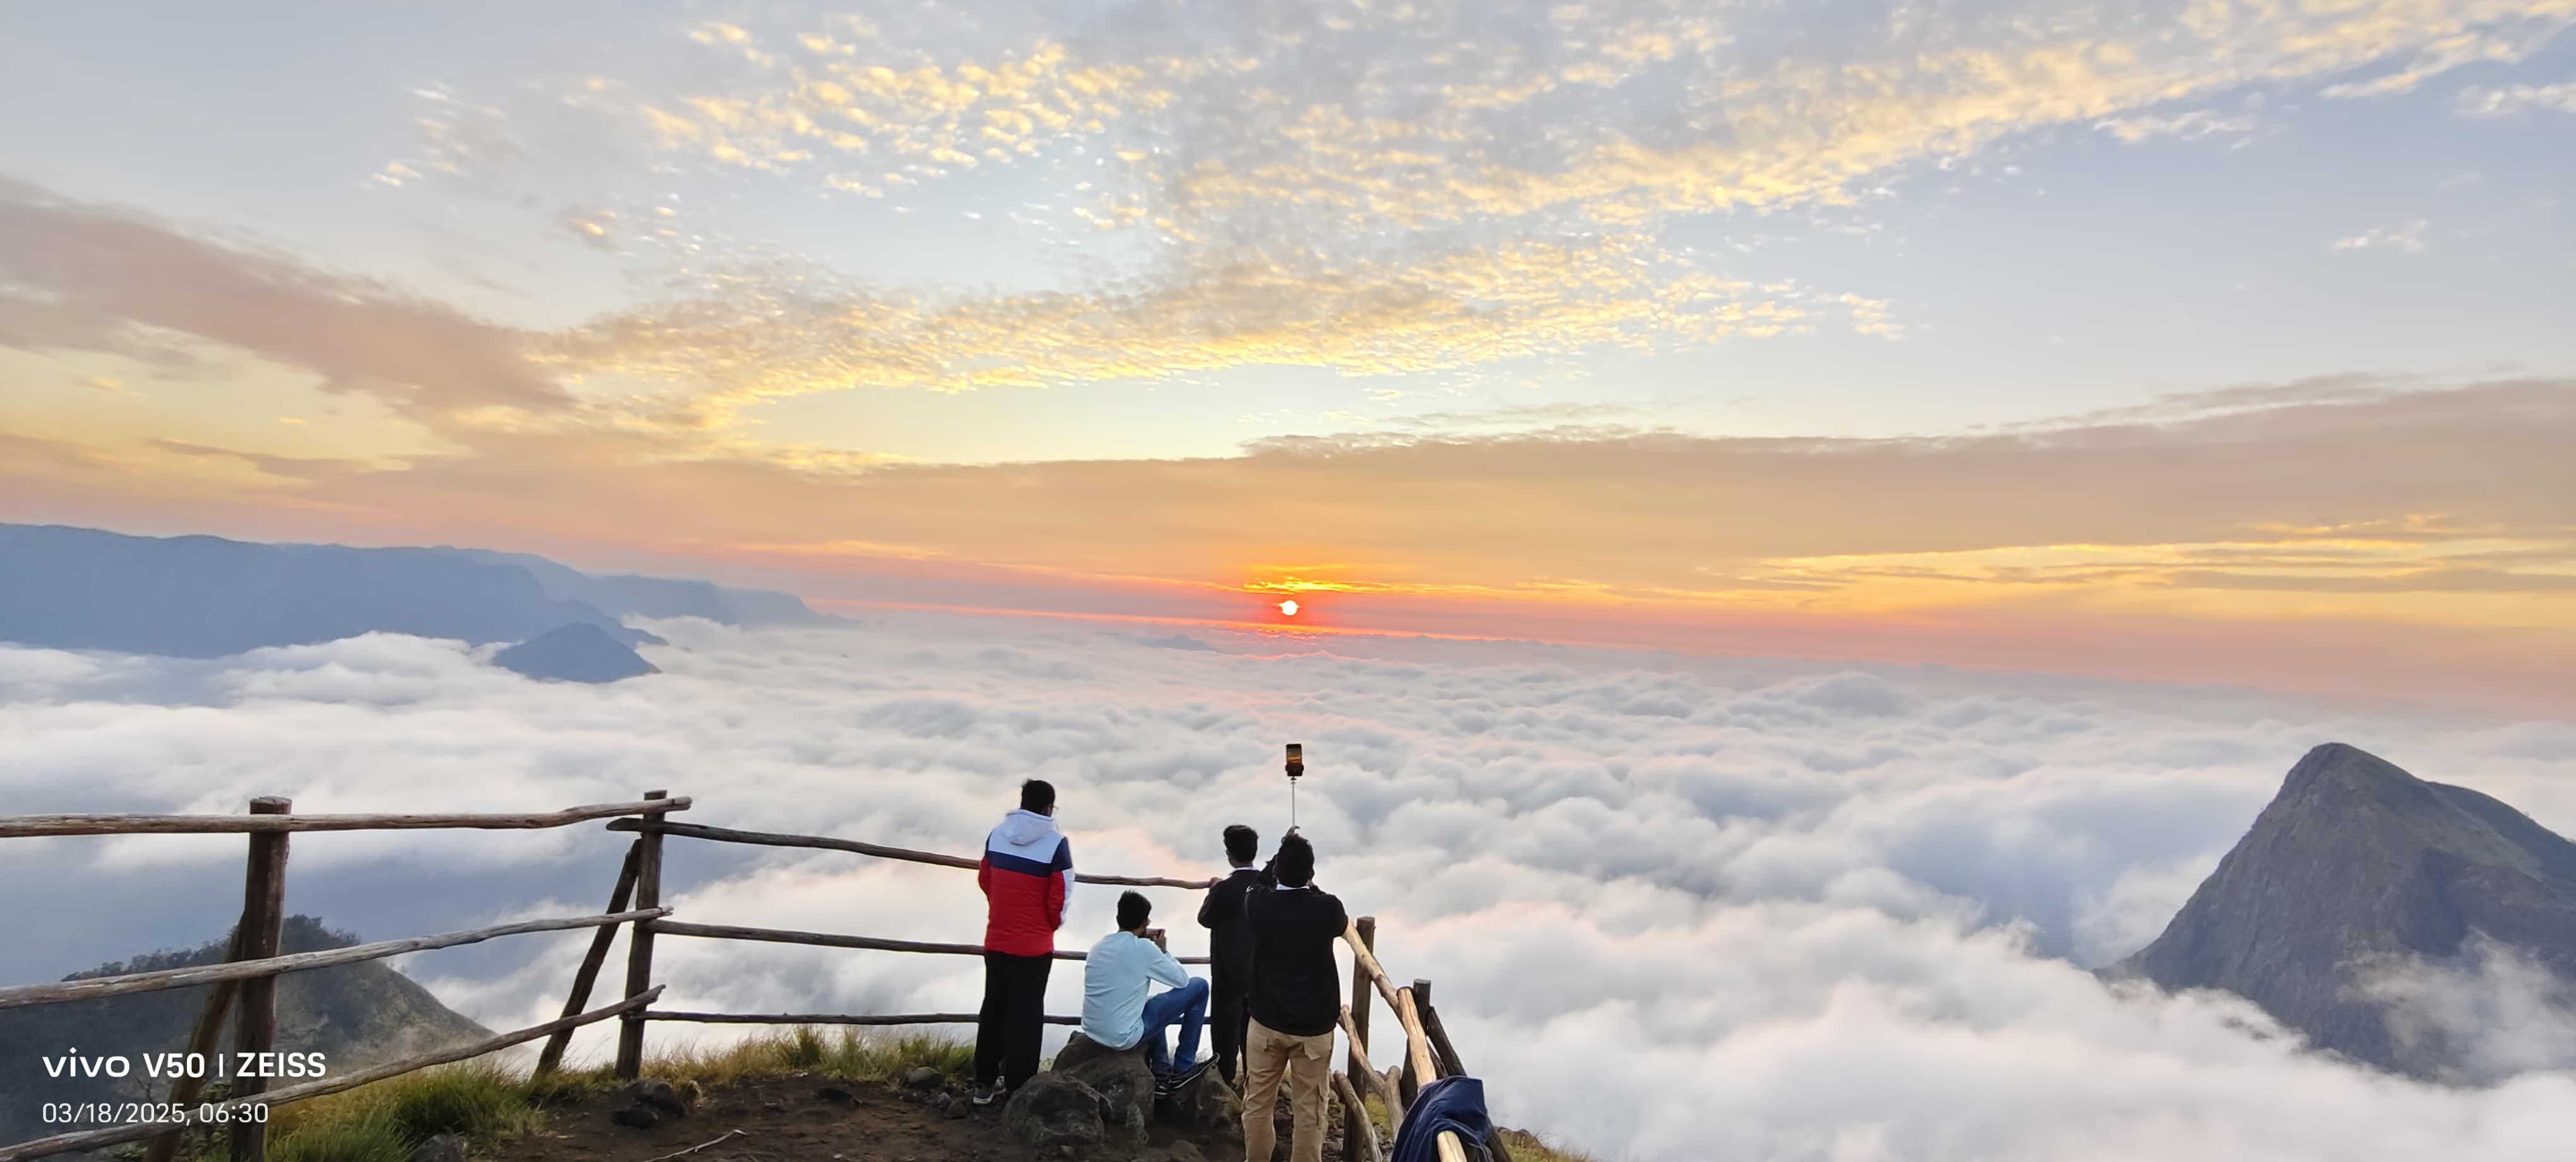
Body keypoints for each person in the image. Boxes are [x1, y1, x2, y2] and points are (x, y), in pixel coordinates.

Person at [1240, 832, 1347, 1162]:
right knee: (1310, 1112)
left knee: (1257, 1104)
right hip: (1314, 1027)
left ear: (1276, 873)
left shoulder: (1258, 905)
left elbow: (1255, 884)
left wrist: (1274, 861)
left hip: (1266, 1022)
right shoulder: (1327, 909)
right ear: (1311, 873)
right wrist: (1308, 883)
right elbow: (1338, 919)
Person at [972, 779, 1073, 1106]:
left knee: (994, 1009)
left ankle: (983, 1085)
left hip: (997, 937)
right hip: (1033, 946)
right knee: (1026, 1016)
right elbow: (1059, 896)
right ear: (1049, 808)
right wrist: (1047, 925)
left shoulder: (997, 834)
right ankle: (1019, 1090)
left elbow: (985, 879)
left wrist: (1004, 909)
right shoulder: (1055, 843)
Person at [1083, 890, 1213, 1094]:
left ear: (1119, 918)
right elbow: (1182, 981)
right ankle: (1183, 1068)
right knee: (1200, 987)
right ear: (1144, 923)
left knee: (1152, 1003)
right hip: (1123, 1037)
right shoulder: (1143, 948)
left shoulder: (1098, 947)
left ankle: (1161, 1072)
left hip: (1093, 1030)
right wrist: (1163, 951)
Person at [1196, 824, 1261, 1086]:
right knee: (1255, 1029)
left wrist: (1214, 889)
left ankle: (1224, 1081)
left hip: (1228, 973)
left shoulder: (1225, 889)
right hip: (1260, 973)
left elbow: (1205, 918)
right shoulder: (1264, 885)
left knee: (1225, 1028)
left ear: (1229, 854)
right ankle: (1254, 1080)